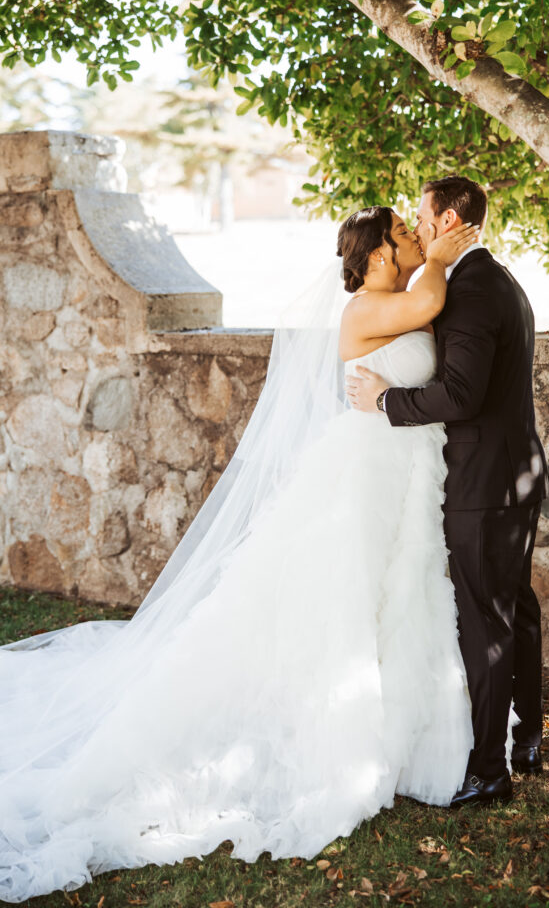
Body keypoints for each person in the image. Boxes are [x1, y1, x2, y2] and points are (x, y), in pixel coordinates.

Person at [0, 205, 482, 904]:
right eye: (404, 236)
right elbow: (431, 297)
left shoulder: (395, 300)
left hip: (403, 473)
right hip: (364, 475)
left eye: (416, 233)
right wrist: (442, 251)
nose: (415, 239)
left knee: (396, 597)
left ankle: (401, 734)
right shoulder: (366, 308)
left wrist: (434, 251)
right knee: (343, 598)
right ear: (378, 256)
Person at [346, 176, 549, 809]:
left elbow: (459, 395)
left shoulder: (469, 291)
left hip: (484, 483)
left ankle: (491, 769)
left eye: (421, 215)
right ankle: (528, 737)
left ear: (449, 220)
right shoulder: (501, 281)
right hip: (516, 472)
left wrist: (386, 399)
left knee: (487, 622)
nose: (417, 225)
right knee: (516, 607)